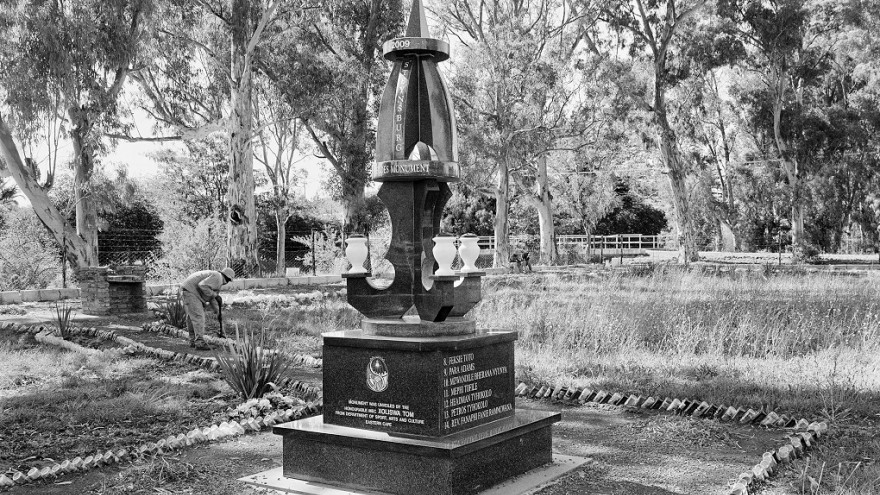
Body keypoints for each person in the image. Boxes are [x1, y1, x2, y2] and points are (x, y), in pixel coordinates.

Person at [180, 267, 235, 350]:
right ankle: (199, 343)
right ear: (227, 278)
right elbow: (202, 285)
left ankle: (193, 341)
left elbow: (212, 298)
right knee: (198, 317)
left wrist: (218, 313)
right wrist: (216, 295)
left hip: (187, 290)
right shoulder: (218, 277)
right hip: (191, 292)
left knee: (192, 317)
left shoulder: (216, 279)